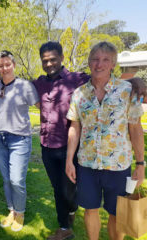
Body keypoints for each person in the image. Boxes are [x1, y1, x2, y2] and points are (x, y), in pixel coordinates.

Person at [32, 41, 146, 240]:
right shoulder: (80, 93)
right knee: (90, 209)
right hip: (87, 163)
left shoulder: (127, 92)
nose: (99, 64)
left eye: (105, 60)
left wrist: (140, 163)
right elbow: (74, 127)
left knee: (116, 212)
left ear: (113, 64)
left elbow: (135, 128)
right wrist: (70, 160)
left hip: (117, 164)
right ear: (89, 62)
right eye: (95, 59)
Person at [33, 41, 88, 240]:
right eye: (45, 61)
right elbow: (17, 85)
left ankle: (64, 228)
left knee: (66, 188)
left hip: (69, 146)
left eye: (53, 59)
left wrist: (135, 81)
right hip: (47, 146)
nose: (49, 64)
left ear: (62, 58)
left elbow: (104, 78)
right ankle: (69, 212)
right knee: (59, 188)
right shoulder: (39, 82)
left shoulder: (77, 79)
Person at [0, 50, 39, 231]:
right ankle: (11, 210)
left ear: (14, 65)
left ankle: (20, 212)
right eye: (1, 65)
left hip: (19, 139)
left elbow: (42, 107)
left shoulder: (25, 86)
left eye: (7, 64)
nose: (4, 68)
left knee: (17, 179)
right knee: (6, 179)